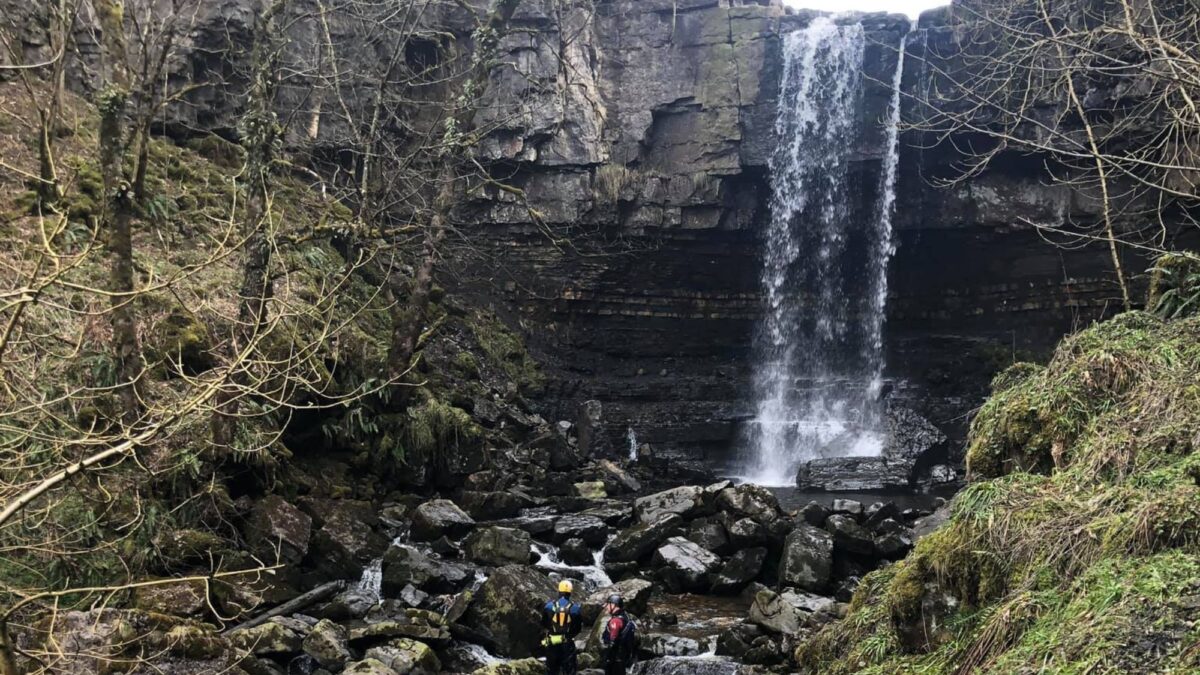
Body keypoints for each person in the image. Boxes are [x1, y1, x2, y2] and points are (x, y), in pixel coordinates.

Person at [541, 579, 583, 675]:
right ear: (570, 592)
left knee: (551, 670)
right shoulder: (576, 609)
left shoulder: (548, 606)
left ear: (559, 591)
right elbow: (578, 628)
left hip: (552, 643)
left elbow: (543, 623)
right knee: (569, 671)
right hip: (567, 644)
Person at [600, 594, 637, 675]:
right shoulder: (625, 616)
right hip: (623, 657)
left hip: (615, 660)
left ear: (613, 605)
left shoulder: (615, 621)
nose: (606, 606)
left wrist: (606, 658)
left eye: (608, 604)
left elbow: (612, 641)